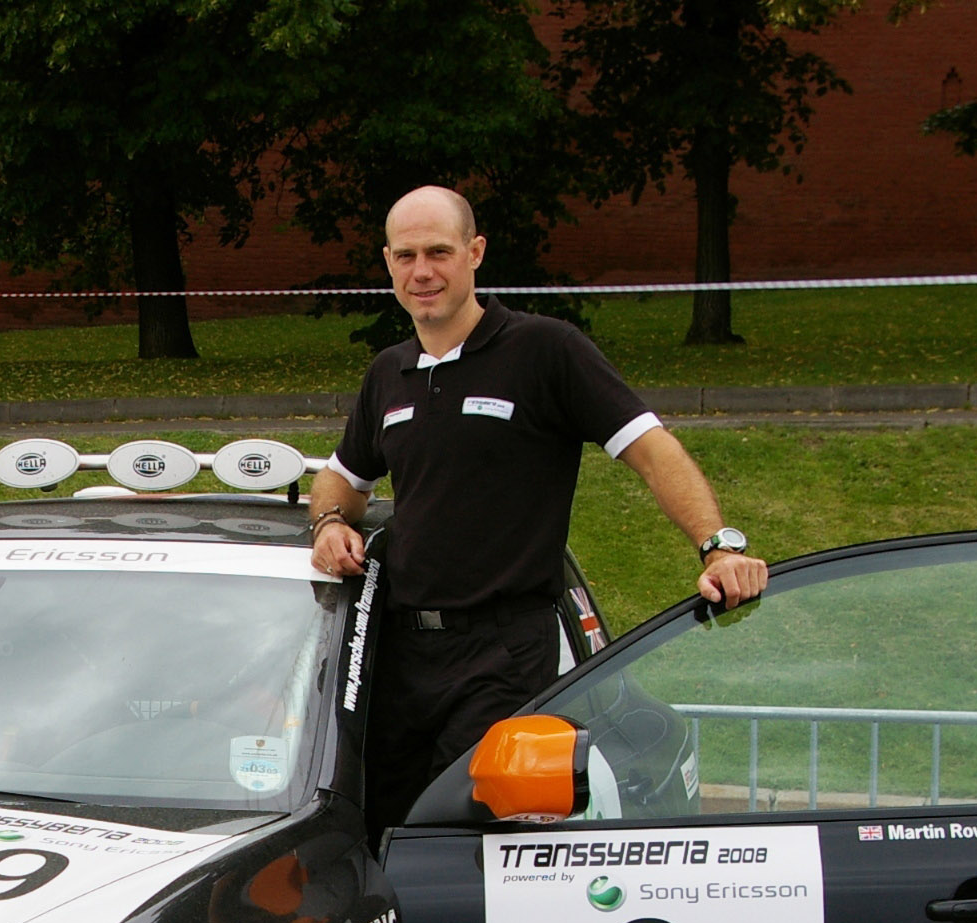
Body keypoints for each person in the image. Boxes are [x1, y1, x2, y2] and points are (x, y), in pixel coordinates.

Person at [306, 186, 769, 833]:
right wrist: (329, 524)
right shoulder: (389, 373)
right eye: (406, 255)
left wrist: (718, 545)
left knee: (468, 833)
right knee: (378, 831)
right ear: (387, 263)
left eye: (439, 252)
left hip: (506, 652)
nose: (423, 272)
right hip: (404, 656)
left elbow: (651, 451)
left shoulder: (545, 351)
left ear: (476, 253)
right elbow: (337, 481)